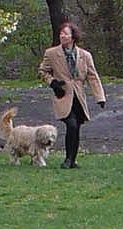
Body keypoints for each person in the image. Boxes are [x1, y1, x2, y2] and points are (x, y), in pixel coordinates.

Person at [39, 19, 105, 168]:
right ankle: (68, 160)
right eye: (61, 34)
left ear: (73, 37)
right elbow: (43, 71)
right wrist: (53, 83)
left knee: (77, 127)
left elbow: (93, 77)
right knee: (71, 124)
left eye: (66, 34)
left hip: (78, 96)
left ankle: (72, 160)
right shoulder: (51, 53)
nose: (62, 36)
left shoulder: (85, 55)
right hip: (63, 95)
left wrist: (99, 97)